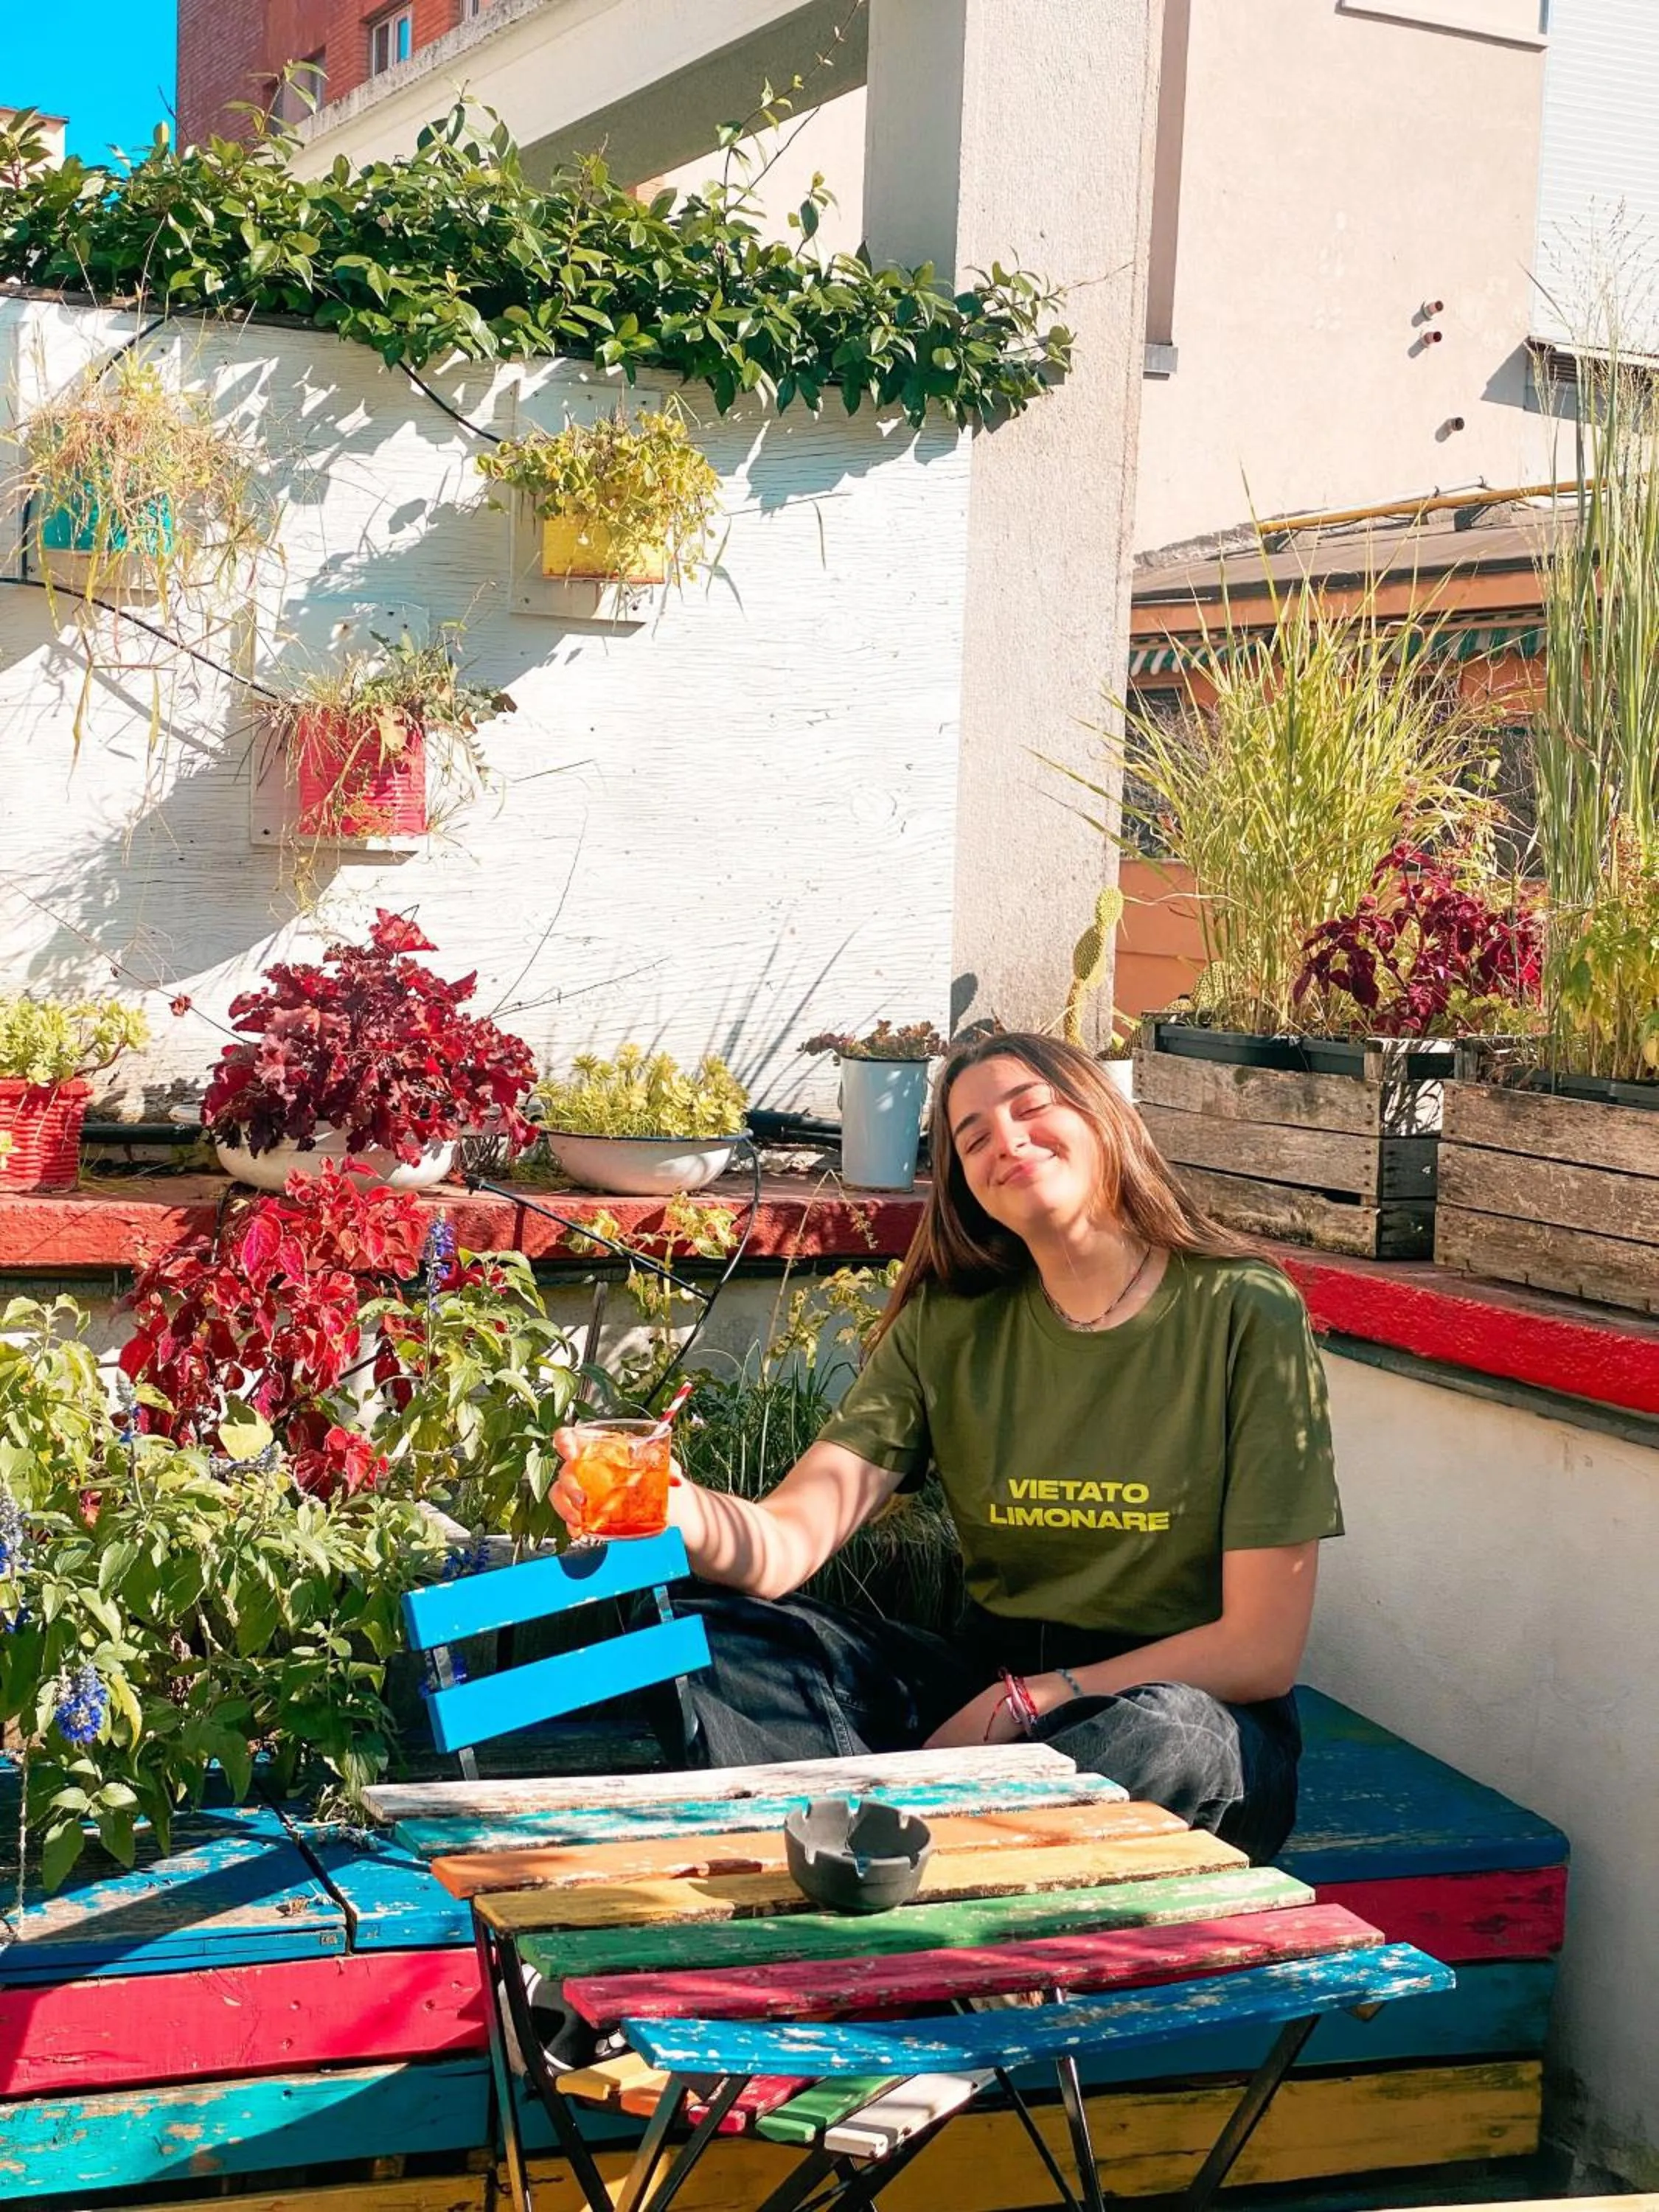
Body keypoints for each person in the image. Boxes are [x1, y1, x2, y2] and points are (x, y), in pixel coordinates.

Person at [552, 1032, 1343, 1863]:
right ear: (966, 1185)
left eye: (1033, 1109)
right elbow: (786, 1543)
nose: (1007, 1141)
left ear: (1107, 1121)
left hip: (1181, 1706)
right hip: (983, 1688)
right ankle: (908, 1855)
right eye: (972, 1139)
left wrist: (1027, 1704)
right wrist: (678, 1507)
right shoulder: (949, 1325)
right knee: (702, 1638)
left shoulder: (1242, 1309)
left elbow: (1259, 1651)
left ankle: (876, 1854)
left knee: (1168, 1737)